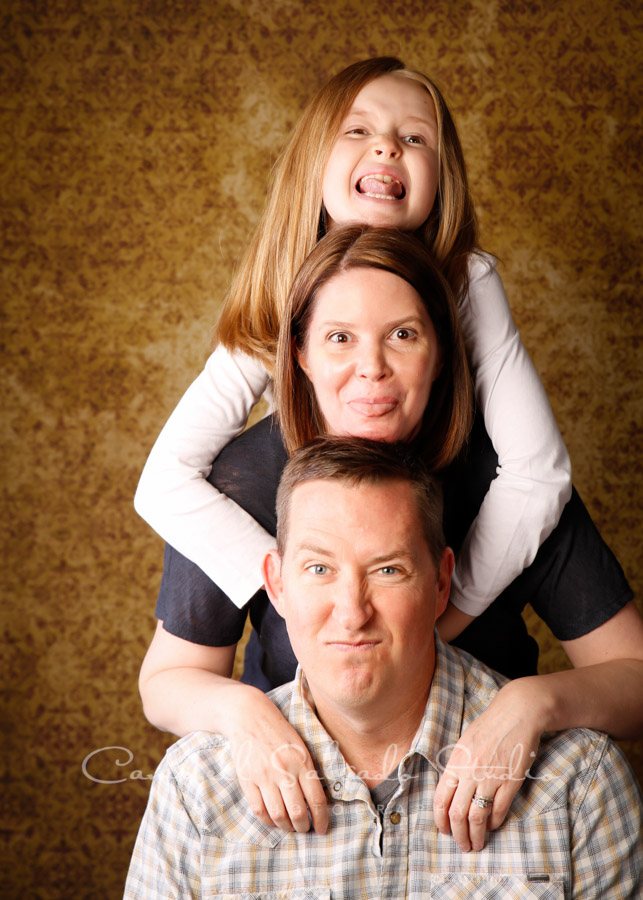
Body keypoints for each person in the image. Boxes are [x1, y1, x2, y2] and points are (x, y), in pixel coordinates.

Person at [139, 226, 643, 853]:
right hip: (298, 801)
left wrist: (531, 705)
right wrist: (244, 716)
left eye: (403, 335)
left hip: (487, 810)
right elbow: (167, 682)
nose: (370, 369)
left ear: (441, 352)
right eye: (339, 338)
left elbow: (637, 679)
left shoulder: (512, 488)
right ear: (300, 354)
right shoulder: (237, 482)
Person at [134, 55, 573, 640]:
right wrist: (286, 592)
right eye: (358, 129)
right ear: (315, 161)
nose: (388, 147)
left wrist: (447, 615)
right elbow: (165, 480)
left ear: (442, 180)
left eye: (415, 137)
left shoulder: (467, 281)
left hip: (423, 522)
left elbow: (538, 472)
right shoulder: (282, 286)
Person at [125, 438, 643, 899]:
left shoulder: (576, 782)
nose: (352, 611)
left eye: (388, 570)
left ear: (442, 584)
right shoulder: (196, 790)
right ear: (277, 585)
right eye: (319, 568)